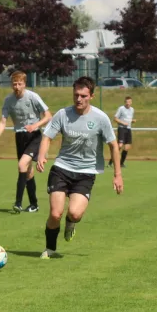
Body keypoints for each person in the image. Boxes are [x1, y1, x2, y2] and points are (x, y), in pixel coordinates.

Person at [37, 76, 124, 259]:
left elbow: (113, 146)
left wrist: (117, 175)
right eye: (76, 94)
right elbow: (47, 137)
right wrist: (42, 155)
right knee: (55, 213)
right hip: (62, 168)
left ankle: (71, 223)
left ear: (91, 96)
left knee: (75, 213)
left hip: (86, 173)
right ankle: (50, 248)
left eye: (83, 95)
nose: (79, 99)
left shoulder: (101, 118)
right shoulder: (63, 114)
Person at [0, 71, 52, 213]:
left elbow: (48, 115)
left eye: (20, 84)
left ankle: (18, 203)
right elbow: (3, 122)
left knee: (21, 164)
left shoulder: (32, 97)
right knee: (28, 172)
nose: (17, 86)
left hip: (34, 136)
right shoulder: (8, 100)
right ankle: (34, 205)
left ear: (24, 84)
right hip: (20, 137)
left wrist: (35, 125)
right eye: (14, 84)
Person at [108, 96, 136, 168]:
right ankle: (111, 161)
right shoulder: (121, 109)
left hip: (128, 129)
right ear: (125, 102)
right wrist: (123, 123)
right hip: (122, 128)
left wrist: (132, 121)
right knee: (120, 145)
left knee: (127, 147)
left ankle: (121, 163)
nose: (128, 103)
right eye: (127, 102)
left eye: (130, 102)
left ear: (131, 102)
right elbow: (115, 118)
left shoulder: (132, 110)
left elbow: (129, 119)